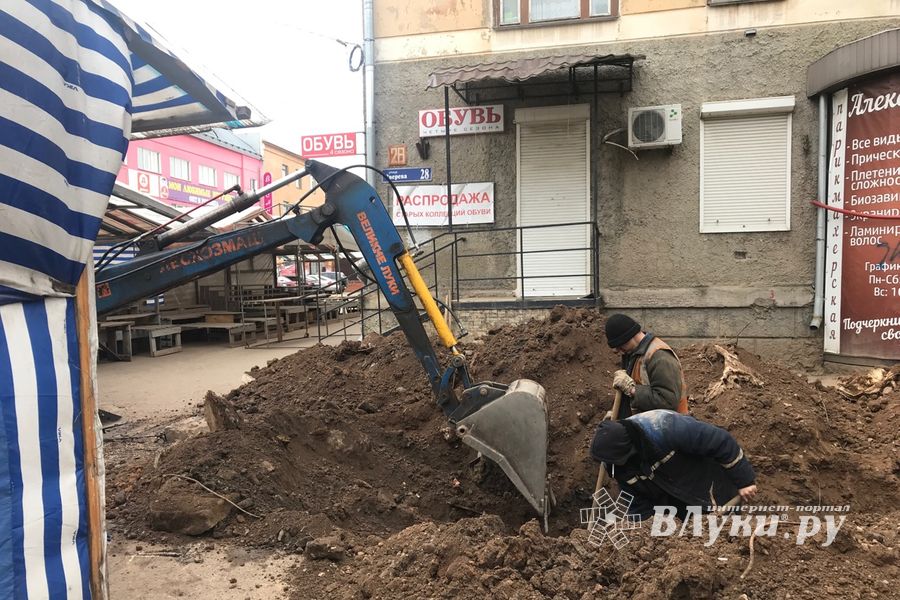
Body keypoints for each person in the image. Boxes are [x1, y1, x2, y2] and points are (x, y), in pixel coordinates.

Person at [590, 409, 758, 518]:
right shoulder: (618, 466)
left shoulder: (665, 428)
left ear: (628, 450)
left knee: (729, 536)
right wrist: (640, 531)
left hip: (711, 484)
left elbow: (721, 441)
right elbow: (637, 502)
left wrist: (745, 480)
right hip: (679, 503)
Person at [604, 313, 688, 419]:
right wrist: (618, 415)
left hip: (667, 429)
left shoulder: (659, 356)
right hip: (647, 425)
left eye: (620, 346)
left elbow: (668, 402)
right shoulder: (634, 353)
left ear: (628, 337)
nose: (618, 351)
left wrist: (632, 389)